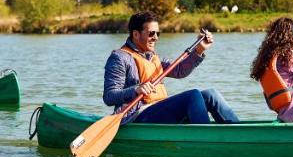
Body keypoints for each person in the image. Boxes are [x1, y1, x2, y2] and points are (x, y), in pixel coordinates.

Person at [103, 11, 240, 124]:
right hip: (136, 116)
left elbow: (180, 71)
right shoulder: (119, 57)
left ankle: (238, 133)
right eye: (151, 33)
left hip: (159, 110)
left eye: (158, 33)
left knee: (211, 95)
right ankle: (205, 138)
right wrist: (136, 89)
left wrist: (198, 50)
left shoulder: (152, 56)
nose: (156, 38)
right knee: (192, 95)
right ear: (136, 34)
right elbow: (109, 97)